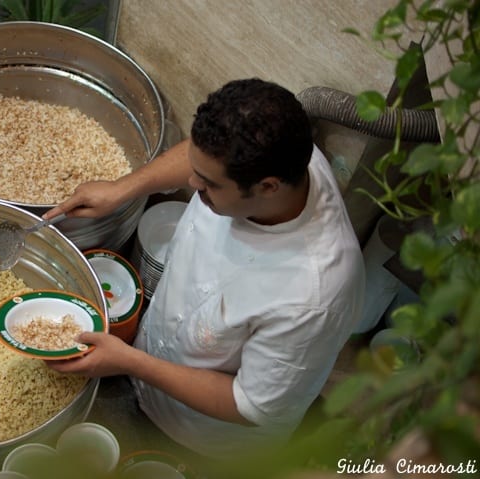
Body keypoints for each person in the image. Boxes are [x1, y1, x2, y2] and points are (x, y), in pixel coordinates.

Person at [43, 78, 365, 458]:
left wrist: (129, 361)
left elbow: (250, 404)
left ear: (267, 188)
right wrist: (126, 188)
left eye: (208, 185)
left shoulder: (315, 292)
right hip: (155, 352)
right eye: (195, 170)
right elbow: (202, 158)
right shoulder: (276, 151)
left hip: (201, 436)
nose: (192, 182)